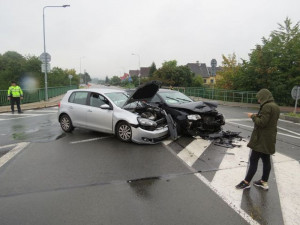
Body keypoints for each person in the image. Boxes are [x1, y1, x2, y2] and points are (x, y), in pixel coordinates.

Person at [236, 89, 280, 190]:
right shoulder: (275, 106)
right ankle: (263, 181)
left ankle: (246, 182)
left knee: (253, 159)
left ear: (264, 97)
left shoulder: (267, 106)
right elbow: (269, 120)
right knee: (266, 159)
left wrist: (252, 116)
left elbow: (261, 123)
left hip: (261, 138)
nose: (259, 100)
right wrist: (258, 115)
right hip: (270, 137)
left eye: (260, 98)